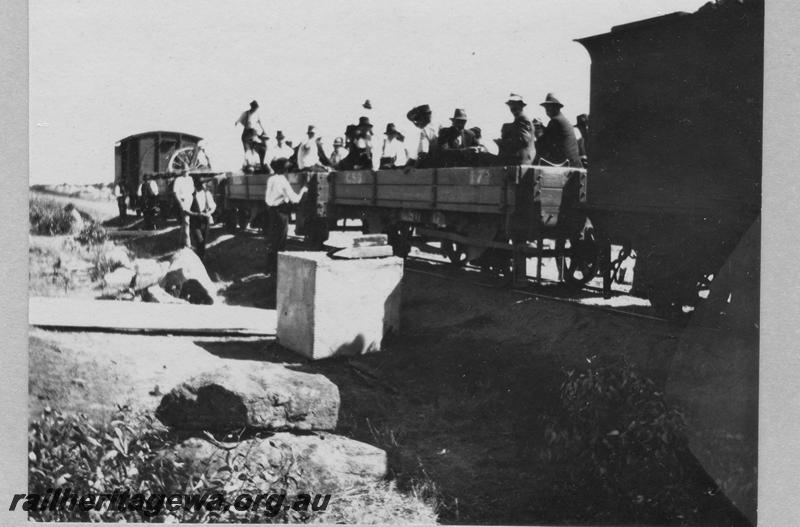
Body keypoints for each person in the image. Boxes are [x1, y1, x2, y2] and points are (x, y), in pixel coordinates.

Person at [265, 159, 308, 272]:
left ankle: (270, 267)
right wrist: (303, 190)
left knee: (273, 239)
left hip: (272, 210)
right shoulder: (283, 181)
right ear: (284, 169)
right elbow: (295, 199)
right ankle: (277, 268)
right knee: (281, 240)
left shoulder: (271, 179)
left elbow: (269, 197)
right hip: (281, 212)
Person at [534, 93, 582, 167]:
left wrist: (537, 131)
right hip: (573, 163)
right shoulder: (562, 120)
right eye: (546, 107)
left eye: (549, 107)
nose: (546, 110)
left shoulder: (555, 121)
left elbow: (542, 143)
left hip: (566, 165)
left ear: (556, 108)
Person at [497, 93, 535, 165]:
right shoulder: (519, 120)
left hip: (521, 161)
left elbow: (523, 141)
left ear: (520, 106)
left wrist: (503, 142)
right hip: (517, 160)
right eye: (511, 105)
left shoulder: (524, 120)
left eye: (515, 105)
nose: (512, 108)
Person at [186, 174, 216, 259]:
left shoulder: (207, 194)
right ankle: (199, 258)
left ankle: (201, 259)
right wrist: (194, 214)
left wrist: (209, 212)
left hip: (205, 220)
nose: (202, 185)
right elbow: (186, 209)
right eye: (200, 183)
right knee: (199, 240)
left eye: (203, 183)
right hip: (195, 220)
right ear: (195, 184)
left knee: (203, 241)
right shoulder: (191, 195)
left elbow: (213, 206)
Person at [235, 100, 266, 168]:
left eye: (256, 108)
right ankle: (248, 164)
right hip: (247, 132)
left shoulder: (257, 114)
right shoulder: (246, 113)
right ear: (252, 107)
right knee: (247, 150)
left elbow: (260, 122)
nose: (256, 109)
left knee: (258, 148)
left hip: (254, 132)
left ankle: (259, 163)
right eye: (255, 108)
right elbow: (238, 121)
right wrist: (240, 125)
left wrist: (264, 131)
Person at [172, 170, 195, 248]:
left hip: (189, 200)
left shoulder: (190, 179)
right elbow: (175, 193)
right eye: (185, 171)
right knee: (186, 221)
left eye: (187, 171)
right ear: (182, 171)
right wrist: (180, 203)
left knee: (185, 222)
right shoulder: (178, 180)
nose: (186, 172)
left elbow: (192, 190)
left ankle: (181, 242)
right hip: (183, 201)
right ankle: (188, 244)